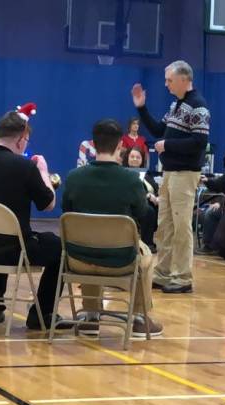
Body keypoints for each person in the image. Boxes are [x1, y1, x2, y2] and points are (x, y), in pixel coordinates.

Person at [0, 111, 71, 329]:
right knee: (58, 246)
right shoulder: (24, 167)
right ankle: (43, 313)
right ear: (21, 139)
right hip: (13, 251)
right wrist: (43, 170)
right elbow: (48, 205)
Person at [62, 119, 163, 336]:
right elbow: (144, 214)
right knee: (145, 256)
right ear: (120, 146)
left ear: (94, 144)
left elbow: (66, 212)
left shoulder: (73, 178)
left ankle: (90, 316)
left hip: (79, 260)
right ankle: (138, 317)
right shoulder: (130, 180)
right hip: (121, 261)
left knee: (88, 239)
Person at [132, 60, 210, 294]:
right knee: (164, 225)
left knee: (181, 226)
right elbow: (158, 130)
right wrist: (142, 108)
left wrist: (169, 145)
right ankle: (163, 272)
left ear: (184, 79)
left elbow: (200, 142)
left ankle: (182, 276)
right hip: (169, 173)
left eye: (169, 80)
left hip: (184, 174)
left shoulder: (198, 107)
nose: (166, 84)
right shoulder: (177, 105)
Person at [123, 146, 159, 250]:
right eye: (132, 156)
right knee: (148, 211)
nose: (134, 159)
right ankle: (147, 244)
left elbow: (155, 189)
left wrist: (158, 197)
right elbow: (129, 190)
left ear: (142, 160)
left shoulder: (147, 175)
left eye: (138, 157)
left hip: (152, 202)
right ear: (127, 158)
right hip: (132, 203)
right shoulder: (124, 173)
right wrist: (147, 195)